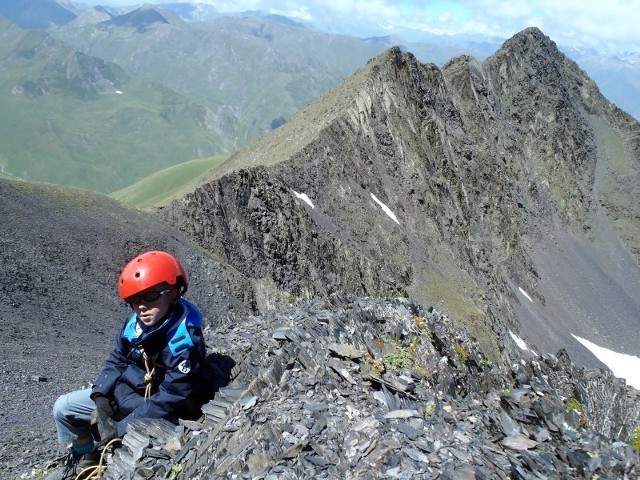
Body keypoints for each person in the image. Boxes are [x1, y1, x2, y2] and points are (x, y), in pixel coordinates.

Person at [47, 250, 208, 480]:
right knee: (63, 408)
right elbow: (117, 359)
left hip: (154, 407)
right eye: (134, 299)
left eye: (151, 296)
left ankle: (105, 456)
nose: (141, 306)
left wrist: (122, 428)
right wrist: (100, 394)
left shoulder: (184, 343)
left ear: (173, 293)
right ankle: (88, 457)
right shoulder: (136, 324)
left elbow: (172, 397)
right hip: (124, 393)